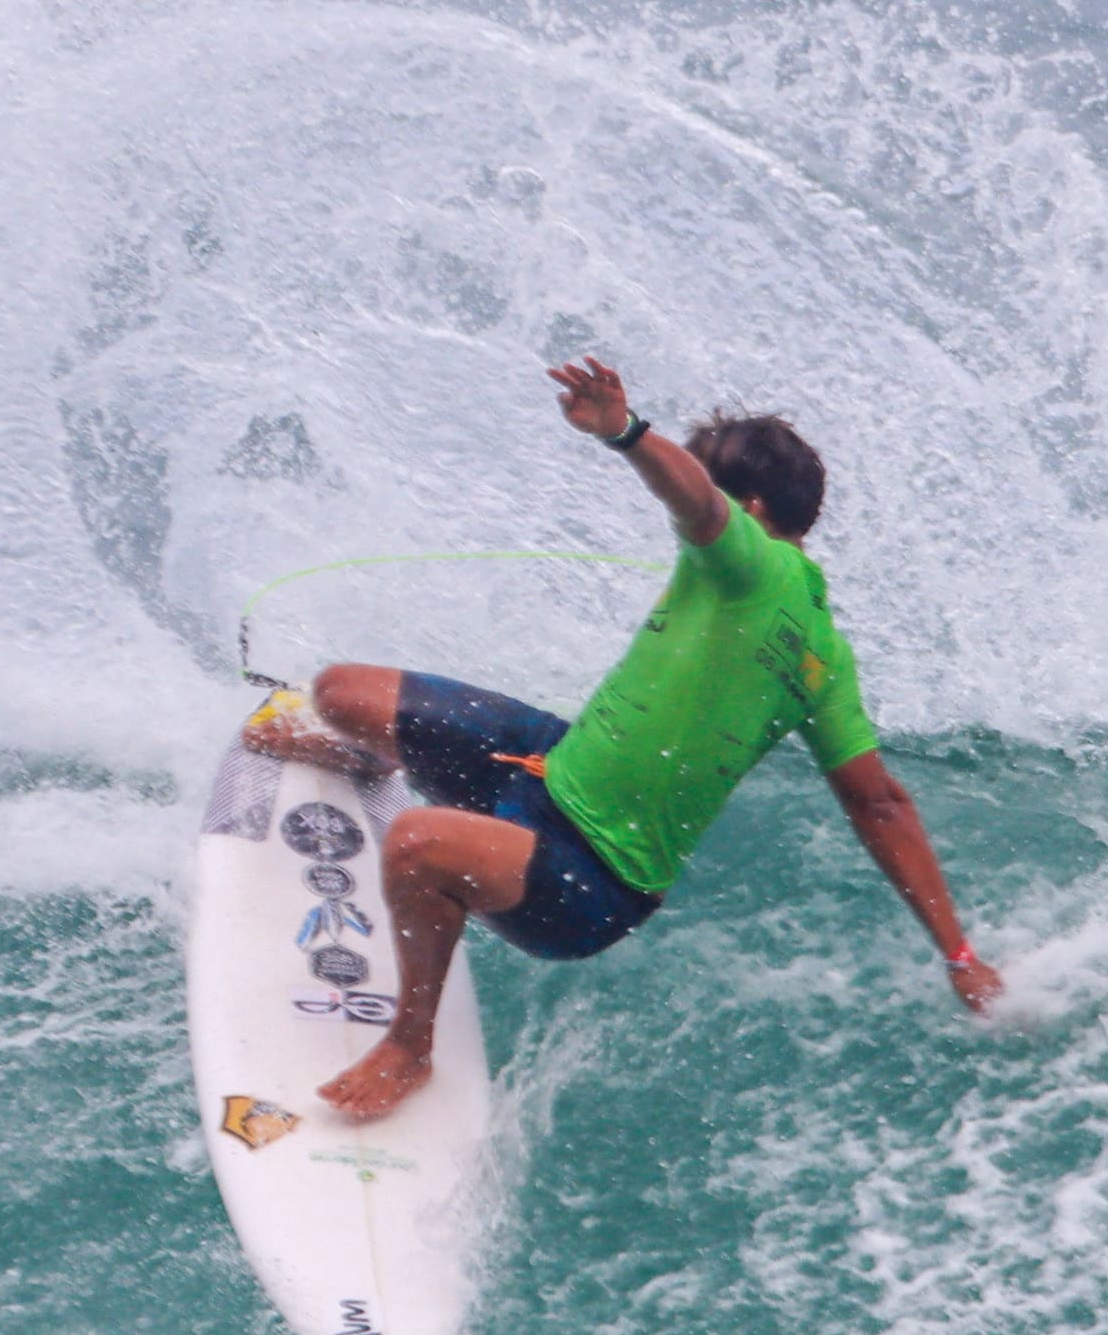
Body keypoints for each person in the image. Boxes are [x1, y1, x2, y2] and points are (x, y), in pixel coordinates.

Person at [247, 357, 1001, 1123]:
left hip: (593, 880)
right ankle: (376, 756)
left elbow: (697, 502)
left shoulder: (748, 560)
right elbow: (880, 805)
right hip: (551, 765)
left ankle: (409, 1048)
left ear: (756, 508)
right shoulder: (824, 653)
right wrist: (960, 957)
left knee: (413, 844)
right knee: (342, 692)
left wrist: (626, 433)